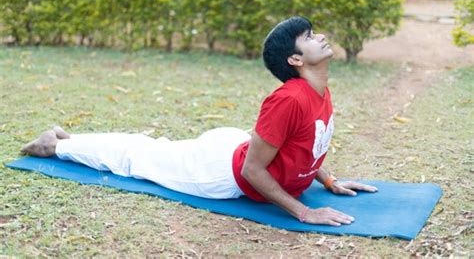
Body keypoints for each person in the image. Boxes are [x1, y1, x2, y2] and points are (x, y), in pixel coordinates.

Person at [21, 16, 377, 226]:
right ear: (296, 59)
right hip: (219, 173)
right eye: (310, 37)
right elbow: (254, 171)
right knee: (138, 158)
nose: (321, 37)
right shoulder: (289, 98)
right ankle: (57, 144)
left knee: (151, 150)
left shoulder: (318, 91)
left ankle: (73, 141)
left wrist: (327, 179)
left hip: (237, 143)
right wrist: (303, 212)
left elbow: (301, 143)